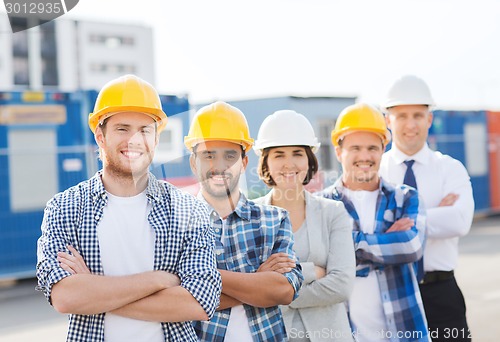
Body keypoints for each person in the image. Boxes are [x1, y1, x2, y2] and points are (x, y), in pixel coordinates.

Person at [36, 74, 222, 342]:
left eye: (144, 130)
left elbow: (198, 303)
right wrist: (159, 280)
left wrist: (94, 292)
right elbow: (65, 297)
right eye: (122, 128)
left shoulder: (188, 210)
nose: (134, 140)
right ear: (100, 136)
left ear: (156, 139)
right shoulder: (65, 207)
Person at [185, 101, 304, 342]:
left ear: (244, 162)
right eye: (209, 155)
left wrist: (203, 278)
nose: (219, 166)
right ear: (193, 163)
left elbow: (283, 291)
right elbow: (176, 301)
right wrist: (257, 280)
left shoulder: (274, 220)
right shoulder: (176, 226)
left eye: (229, 155)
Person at [320, 103, 429, 342]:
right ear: (339, 152)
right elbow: (315, 263)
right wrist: (386, 243)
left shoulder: (405, 197)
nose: (365, 156)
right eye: (355, 148)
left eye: (372, 148)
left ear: (383, 149)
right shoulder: (320, 206)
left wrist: (343, 248)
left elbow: (411, 246)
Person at [380, 75, 474, 342]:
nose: (411, 125)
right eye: (402, 116)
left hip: (441, 293)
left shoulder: (450, 168)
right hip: (390, 289)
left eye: (418, 116)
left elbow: (459, 221)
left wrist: (397, 224)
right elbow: (365, 227)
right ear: (388, 120)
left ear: (429, 119)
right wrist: (434, 212)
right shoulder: (377, 170)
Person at [252, 110, 356, 342]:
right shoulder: (249, 216)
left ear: (309, 160)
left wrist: (273, 292)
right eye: (279, 155)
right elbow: (247, 285)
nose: (289, 164)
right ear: (266, 162)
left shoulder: (333, 213)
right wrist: (311, 271)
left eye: (297, 153)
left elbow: (341, 285)